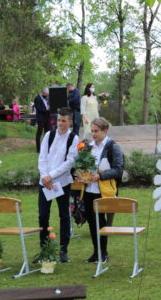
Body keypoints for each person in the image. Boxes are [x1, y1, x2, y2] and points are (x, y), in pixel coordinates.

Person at [38, 107, 80, 263]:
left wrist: (51, 176)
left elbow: (69, 162)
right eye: (58, 120)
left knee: (64, 215)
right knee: (43, 216)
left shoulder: (73, 138)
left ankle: (63, 249)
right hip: (45, 183)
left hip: (61, 182)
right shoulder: (49, 135)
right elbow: (42, 158)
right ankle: (44, 248)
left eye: (64, 120)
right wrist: (44, 177)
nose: (60, 123)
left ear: (70, 121)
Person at [82, 117, 125, 264]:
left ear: (105, 131)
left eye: (96, 131)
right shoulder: (88, 147)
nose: (93, 134)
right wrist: (83, 175)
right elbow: (83, 165)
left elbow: (118, 170)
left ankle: (103, 253)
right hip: (88, 190)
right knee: (92, 223)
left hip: (104, 191)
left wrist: (100, 176)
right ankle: (96, 252)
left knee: (101, 223)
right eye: (92, 131)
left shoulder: (112, 147)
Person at [33, 88, 51, 153]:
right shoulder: (37, 98)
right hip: (41, 118)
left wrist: (49, 109)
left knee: (47, 133)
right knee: (39, 133)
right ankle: (38, 149)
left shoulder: (47, 98)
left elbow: (47, 105)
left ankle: (46, 148)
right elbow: (39, 109)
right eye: (47, 94)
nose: (47, 96)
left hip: (47, 118)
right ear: (43, 93)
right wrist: (47, 111)